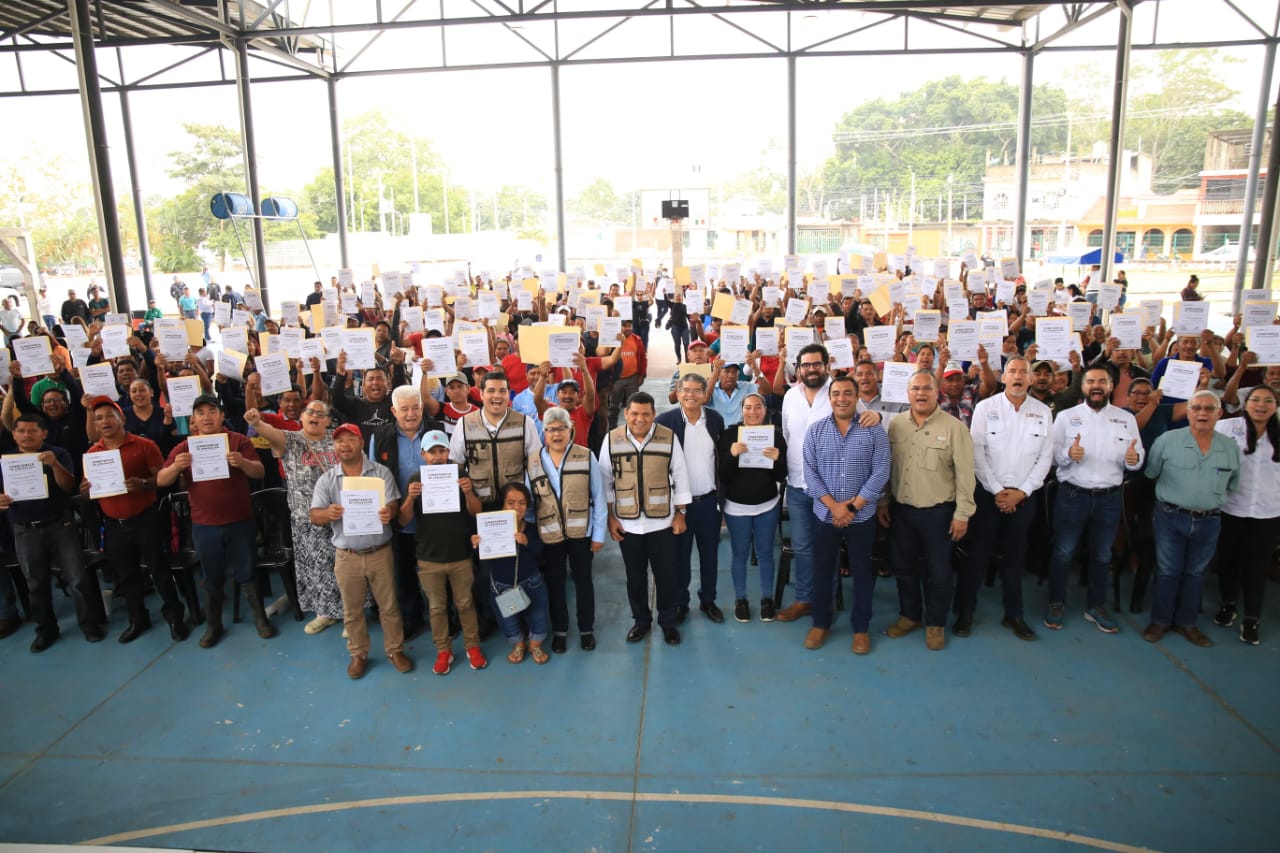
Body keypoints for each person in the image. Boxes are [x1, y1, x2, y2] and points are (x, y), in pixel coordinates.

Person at [157, 393, 272, 648]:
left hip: (240, 520)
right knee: (212, 576)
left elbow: (260, 470)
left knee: (248, 571)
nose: (206, 417)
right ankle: (214, 625)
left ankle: (260, 619)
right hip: (204, 524)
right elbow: (161, 480)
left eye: (212, 411)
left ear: (221, 416)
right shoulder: (185, 447)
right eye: (200, 413)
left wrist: (242, 462)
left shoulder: (238, 440)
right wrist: (176, 467)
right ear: (193, 420)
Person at [879, 371, 976, 651]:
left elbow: (966, 475)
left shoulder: (955, 428)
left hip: (939, 514)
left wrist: (962, 514)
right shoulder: (896, 425)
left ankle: (935, 622)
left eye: (926, 389)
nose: (920, 394)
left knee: (940, 572)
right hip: (902, 511)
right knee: (904, 567)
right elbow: (888, 468)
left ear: (938, 394)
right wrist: (884, 501)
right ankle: (910, 616)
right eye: (915, 389)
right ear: (907, 394)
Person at [82, 396, 189, 643]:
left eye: (110, 415)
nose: (105, 421)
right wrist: (86, 488)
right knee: (127, 576)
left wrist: (143, 484)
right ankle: (138, 619)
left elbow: (162, 478)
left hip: (145, 519)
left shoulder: (144, 445)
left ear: (121, 418)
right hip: (113, 524)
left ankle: (175, 617)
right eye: (99, 418)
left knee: (159, 570)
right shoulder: (92, 454)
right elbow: (87, 492)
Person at [1046, 366, 1144, 633]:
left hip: (1110, 498)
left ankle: (1096, 606)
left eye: (1102, 381)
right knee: (1064, 552)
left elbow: (1136, 456)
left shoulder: (1126, 419)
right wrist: (1070, 453)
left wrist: (1134, 461)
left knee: (1102, 556)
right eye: (1091, 381)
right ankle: (1056, 602)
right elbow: (1053, 455)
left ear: (1112, 386)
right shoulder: (1066, 417)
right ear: (1083, 386)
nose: (1096, 385)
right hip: (1073, 495)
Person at [310, 423, 412, 678]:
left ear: (361, 443)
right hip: (347, 556)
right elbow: (314, 515)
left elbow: (393, 503)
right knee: (352, 609)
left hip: (380, 552)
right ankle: (358, 653)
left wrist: (389, 511)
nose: (345, 445)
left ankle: (395, 649)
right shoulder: (328, 479)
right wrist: (327, 513)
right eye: (339, 440)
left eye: (350, 439)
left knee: (389, 606)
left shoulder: (381, 474)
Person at [962, 357, 1053, 640]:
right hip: (988, 495)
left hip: (1023, 497)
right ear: (1004, 378)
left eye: (1023, 372)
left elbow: (1045, 458)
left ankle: (1013, 615)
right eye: (1012, 371)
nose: (1017, 376)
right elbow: (976, 454)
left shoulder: (1043, 412)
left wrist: (1022, 491)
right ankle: (964, 614)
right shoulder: (985, 408)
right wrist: (998, 490)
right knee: (977, 557)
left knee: (1015, 559)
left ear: (1030, 379)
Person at [0, 413, 107, 650]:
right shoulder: (6, 461)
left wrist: (54, 464)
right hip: (25, 530)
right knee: (36, 583)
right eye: (21, 431)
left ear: (43, 433)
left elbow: (68, 486)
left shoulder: (57, 454)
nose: (26, 436)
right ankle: (46, 630)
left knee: (77, 578)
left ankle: (89, 625)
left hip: (60, 525)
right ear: (14, 434)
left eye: (32, 431)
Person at [1142, 390, 1240, 647]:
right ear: (1188, 411)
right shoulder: (1167, 440)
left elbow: (1232, 482)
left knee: (1196, 573)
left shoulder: (1229, 447)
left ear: (1219, 414)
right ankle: (1161, 620)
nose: (1202, 413)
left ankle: (1187, 623)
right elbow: (1152, 472)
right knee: (1168, 570)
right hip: (1170, 516)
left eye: (1209, 409)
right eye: (1196, 408)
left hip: (1209, 519)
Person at [802, 375, 890, 653]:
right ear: (829, 398)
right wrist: (834, 506)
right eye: (836, 393)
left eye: (848, 393)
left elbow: (881, 472)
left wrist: (852, 507)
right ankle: (820, 623)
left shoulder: (874, 431)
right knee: (823, 570)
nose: (842, 398)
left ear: (856, 397)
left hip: (861, 517)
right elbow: (810, 473)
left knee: (863, 572)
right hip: (825, 515)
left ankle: (861, 628)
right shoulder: (815, 431)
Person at [599, 391, 691, 646]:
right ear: (626, 413)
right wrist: (610, 518)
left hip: (662, 522)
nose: (640, 419)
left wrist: (680, 514)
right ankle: (641, 621)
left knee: (666, 576)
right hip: (627, 525)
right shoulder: (611, 440)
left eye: (646, 414)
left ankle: (668, 622)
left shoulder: (668, 438)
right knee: (635, 577)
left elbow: (681, 476)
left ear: (653, 415)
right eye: (635, 413)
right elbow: (605, 482)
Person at [244, 401, 343, 635]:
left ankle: (350, 613)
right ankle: (325, 613)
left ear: (329, 420)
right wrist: (257, 422)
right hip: (306, 518)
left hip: (340, 516)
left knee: (343, 566)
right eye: (310, 412)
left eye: (321, 414)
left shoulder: (336, 439)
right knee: (317, 568)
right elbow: (270, 433)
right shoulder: (291, 439)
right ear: (301, 416)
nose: (315, 416)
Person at [400, 429, 486, 675]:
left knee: (466, 604)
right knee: (436, 608)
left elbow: (476, 512)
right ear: (423, 454)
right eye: (432, 452)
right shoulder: (416, 479)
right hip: (429, 557)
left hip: (460, 554)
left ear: (449, 452)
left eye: (441, 451)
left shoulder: (459, 474)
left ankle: (472, 646)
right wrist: (410, 498)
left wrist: (468, 491)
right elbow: (403, 520)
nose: (437, 457)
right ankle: (443, 650)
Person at [528, 406, 605, 653]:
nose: (556, 434)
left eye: (561, 428)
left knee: (584, 582)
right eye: (550, 430)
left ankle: (586, 630)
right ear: (544, 433)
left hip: (581, 534)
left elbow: (599, 497)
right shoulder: (533, 461)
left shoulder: (585, 456)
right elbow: (528, 500)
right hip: (550, 536)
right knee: (555, 583)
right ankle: (560, 630)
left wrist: (598, 535)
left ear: (570, 431)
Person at [370, 385, 445, 640]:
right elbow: (374, 477)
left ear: (422, 408)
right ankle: (411, 618)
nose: (411, 414)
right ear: (393, 411)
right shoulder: (380, 436)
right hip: (400, 519)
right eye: (404, 409)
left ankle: (447, 619)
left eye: (415, 407)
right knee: (403, 573)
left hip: (436, 518)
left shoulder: (438, 429)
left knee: (438, 570)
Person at [1211, 384, 1279, 645]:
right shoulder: (1228, 428)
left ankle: (1252, 617)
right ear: (1246, 403)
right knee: (1228, 561)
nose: (1261, 405)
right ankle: (1228, 604)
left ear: (1275, 406)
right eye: (1256, 400)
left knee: (1257, 566)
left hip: (1268, 512)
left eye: (1268, 401)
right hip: (1232, 507)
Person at [656, 373, 725, 624]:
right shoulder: (665, 421)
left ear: (705, 394)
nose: (691, 395)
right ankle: (680, 602)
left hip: (708, 503)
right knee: (679, 557)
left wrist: (722, 502)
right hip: (679, 506)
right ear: (678, 391)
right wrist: (675, 508)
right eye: (686, 389)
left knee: (710, 555)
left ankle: (708, 600)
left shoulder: (715, 420)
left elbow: (721, 462)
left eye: (697, 390)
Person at [717, 392, 786, 623]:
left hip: (767, 504)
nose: (753, 412)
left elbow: (781, 474)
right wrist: (731, 455)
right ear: (741, 409)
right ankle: (741, 599)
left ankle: (767, 599)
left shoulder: (775, 437)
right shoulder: (728, 436)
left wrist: (778, 460)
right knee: (740, 554)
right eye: (748, 407)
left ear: (765, 410)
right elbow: (722, 476)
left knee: (766, 553)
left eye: (758, 407)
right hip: (737, 507)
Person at [775, 344, 832, 623]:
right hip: (797, 484)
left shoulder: (839, 393)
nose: (811, 369)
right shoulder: (789, 397)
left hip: (831, 487)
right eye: (806, 365)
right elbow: (788, 435)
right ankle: (805, 599)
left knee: (828, 546)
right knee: (802, 546)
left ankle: (825, 601)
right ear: (798, 368)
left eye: (816, 364)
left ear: (826, 365)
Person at [474, 482, 552, 664]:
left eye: (522, 503)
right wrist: (477, 543)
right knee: (507, 620)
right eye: (511, 502)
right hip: (501, 586)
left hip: (532, 583)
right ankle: (518, 645)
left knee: (538, 615)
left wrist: (526, 542)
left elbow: (540, 551)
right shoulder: (489, 527)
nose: (516, 507)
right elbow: (483, 556)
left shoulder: (531, 528)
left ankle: (535, 644)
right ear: (502, 504)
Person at [605, 319, 647, 429]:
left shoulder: (637, 340)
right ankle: (612, 430)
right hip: (616, 380)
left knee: (634, 407)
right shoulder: (612, 340)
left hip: (632, 379)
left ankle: (633, 430)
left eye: (629, 325)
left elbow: (642, 359)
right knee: (613, 408)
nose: (627, 328)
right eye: (624, 325)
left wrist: (642, 375)